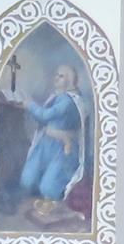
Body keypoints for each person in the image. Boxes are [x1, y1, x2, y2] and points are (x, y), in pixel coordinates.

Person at [6, 63, 89, 221]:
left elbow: (45, 116)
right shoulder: (58, 96)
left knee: (48, 187)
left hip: (62, 148)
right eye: (57, 75)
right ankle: (37, 201)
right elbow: (44, 120)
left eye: (61, 76)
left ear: (70, 80)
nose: (56, 78)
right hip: (46, 144)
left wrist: (29, 104)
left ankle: (51, 204)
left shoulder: (69, 101)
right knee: (27, 179)